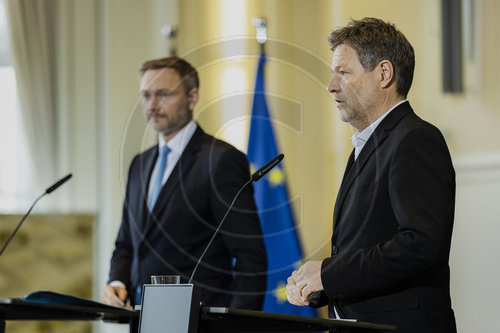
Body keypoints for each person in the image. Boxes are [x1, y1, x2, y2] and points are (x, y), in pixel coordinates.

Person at [286, 17, 456, 332]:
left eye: (343, 72)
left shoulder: (415, 139)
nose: (331, 84)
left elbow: (420, 245)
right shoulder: (368, 145)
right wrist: (319, 286)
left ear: (383, 74)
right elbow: (365, 245)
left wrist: (329, 273)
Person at [101, 56, 267, 310]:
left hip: (199, 322)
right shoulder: (140, 164)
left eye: (163, 94)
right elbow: (127, 242)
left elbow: (250, 256)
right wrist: (118, 281)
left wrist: (236, 324)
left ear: (192, 97)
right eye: (146, 96)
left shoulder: (220, 161)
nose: (152, 105)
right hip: (142, 319)